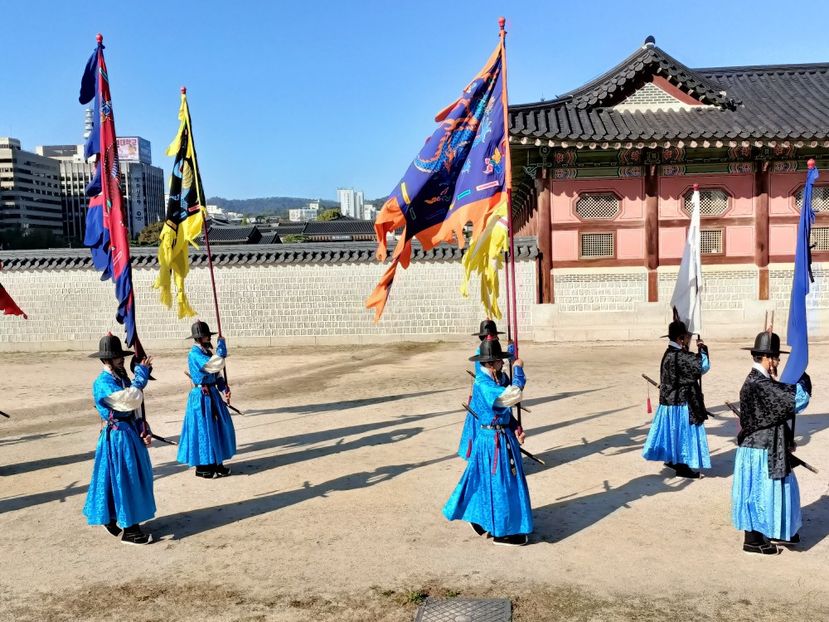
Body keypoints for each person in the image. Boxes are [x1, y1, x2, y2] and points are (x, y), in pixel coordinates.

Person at [443, 337, 532, 546]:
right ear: (491, 363)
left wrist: (515, 427)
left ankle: (483, 520)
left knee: (492, 482)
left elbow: (503, 412)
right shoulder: (483, 384)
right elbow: (512, 396)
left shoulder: (495, 379)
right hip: (492, 443)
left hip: (501, 437)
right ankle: (502, 531)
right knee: (500, 484)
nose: (503, 363)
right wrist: (518, 370)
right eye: (500, 361)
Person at [732, 330, 811, 555]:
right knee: (758, 492)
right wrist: (802, 377)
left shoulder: (762, 381)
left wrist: (786, 438)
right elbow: (797, 400)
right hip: (760, 449)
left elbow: (774, 414)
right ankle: (753, 540)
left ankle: (779, 529)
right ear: (766, 358)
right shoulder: (760, 383)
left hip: (768, 446)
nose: (777, 362)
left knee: (780, 488)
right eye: (776, 358)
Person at [82, 334, 156, 545]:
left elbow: (135, 409)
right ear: (106, 359)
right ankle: (130, 530)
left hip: (129, 434)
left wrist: (143, 427)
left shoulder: (121, 379)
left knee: (128, 478)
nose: (121, 359)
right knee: (126, 479)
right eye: (116, 357)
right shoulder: (102, 382)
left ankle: (113, 518)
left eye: (121, 356)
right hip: (118, 439)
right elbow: (128, 401)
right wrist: (140, 377)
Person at [642, 319, 711, 478]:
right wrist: (702, 348)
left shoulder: (668, 354)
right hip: (680, 403)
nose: (688, 340)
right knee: (682, 436)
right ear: (680, 339)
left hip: (669, 402)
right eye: (686, 337)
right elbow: (703, 366)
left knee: (674, 435)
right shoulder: (680, 356)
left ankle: (673, 460)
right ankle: (682, 467)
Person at [177, 321, 236, 478]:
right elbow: (212, 366)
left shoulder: (208, 352)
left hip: (213, 394)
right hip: (201, 397)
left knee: (217, 428)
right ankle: (204, 467)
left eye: (209, 335)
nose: (209, 337)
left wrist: (223, 388)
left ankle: (218, 463)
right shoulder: (194, 354)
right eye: (206, 335)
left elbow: (217, 374)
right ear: (198, 338)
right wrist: (221, 349)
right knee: (203, 430)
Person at [458, 320, 511, 459]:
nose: (496, 338)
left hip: (491, 393)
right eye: (494, 336)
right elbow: (491, 378)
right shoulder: (481, 355)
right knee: (482, 430)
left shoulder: (490, 353)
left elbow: (499, 375)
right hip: (485, 400)